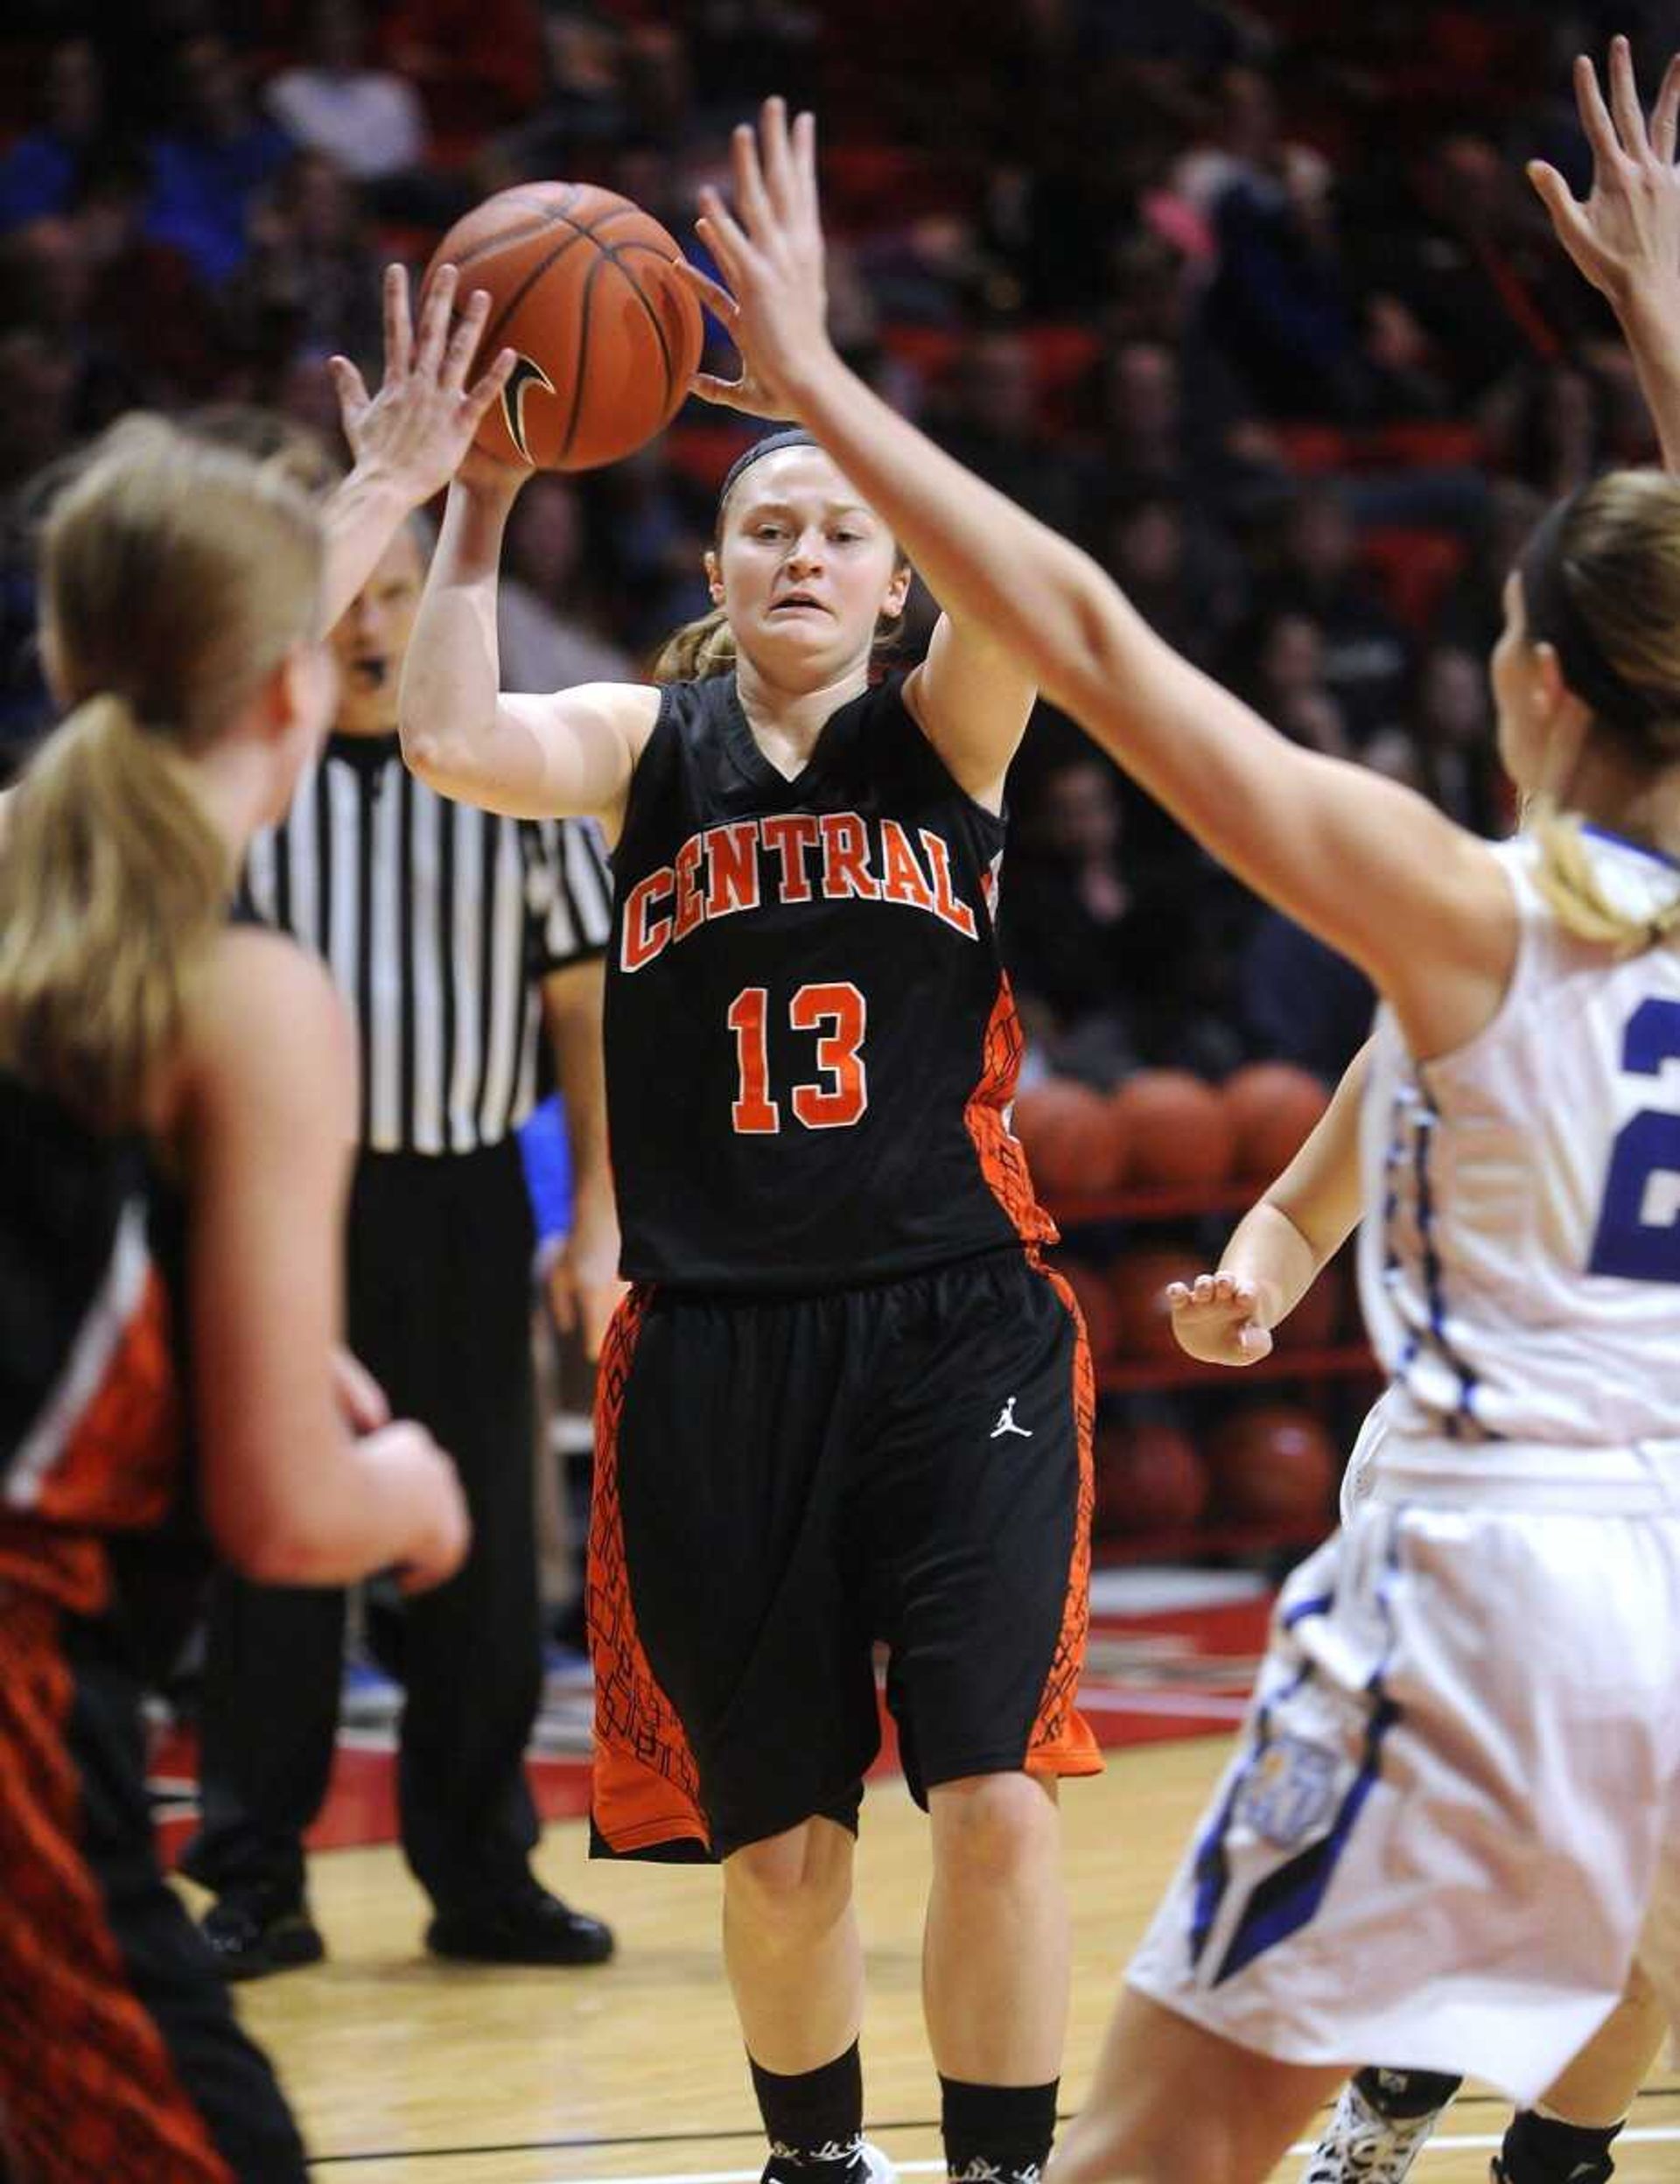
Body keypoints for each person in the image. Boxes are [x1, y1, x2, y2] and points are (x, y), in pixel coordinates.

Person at [676, 56, 1680, 2184]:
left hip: (1489, 1568)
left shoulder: (1473, 913)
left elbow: (1103, 646)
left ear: (1540, 696)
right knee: (1632, 1980)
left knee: (1160, 2152)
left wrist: (827, 389)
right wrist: (1665, 328)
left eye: (1510, 634)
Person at [398, 270, 1102, 2184]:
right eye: (769, 523)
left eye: (843, 530)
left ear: (893, 580)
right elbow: (451, 737)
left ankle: (1002, 2166)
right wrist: (479, 493)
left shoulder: (949, 731)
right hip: (716, 1344)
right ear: (717, 561)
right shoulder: (649, 743)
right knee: (783, 1847)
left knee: (1001, 1804)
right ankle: (814, 2161)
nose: (805, 550)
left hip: (961, 1327)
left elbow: (1033, 593)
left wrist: (833, 401)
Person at [0, 420, 470, 2184]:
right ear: (296, 689)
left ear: (61, 661)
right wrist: (415, 1495)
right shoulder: (248, 994)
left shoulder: (28, 886)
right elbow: (291, 1518)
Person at [180, 508, 620, 1977]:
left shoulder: (505, 770)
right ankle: (253, 1875)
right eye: (350, 598)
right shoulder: (256, 783)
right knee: (278, 1543)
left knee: (482, 1558)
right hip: (285, 1198)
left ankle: (481, 1871)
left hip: (469, 1192)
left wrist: (595, 1219)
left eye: (395, 595)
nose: (370, 625)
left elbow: (582, 1010)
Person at [1163, 1055, 1669, 2184]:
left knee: (1648, 1895)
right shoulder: (1458, 1005)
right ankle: (1380, 2124)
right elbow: (1300, 1208)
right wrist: (1249, 1294)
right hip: (1477, 1476)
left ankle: (1552, 2160)